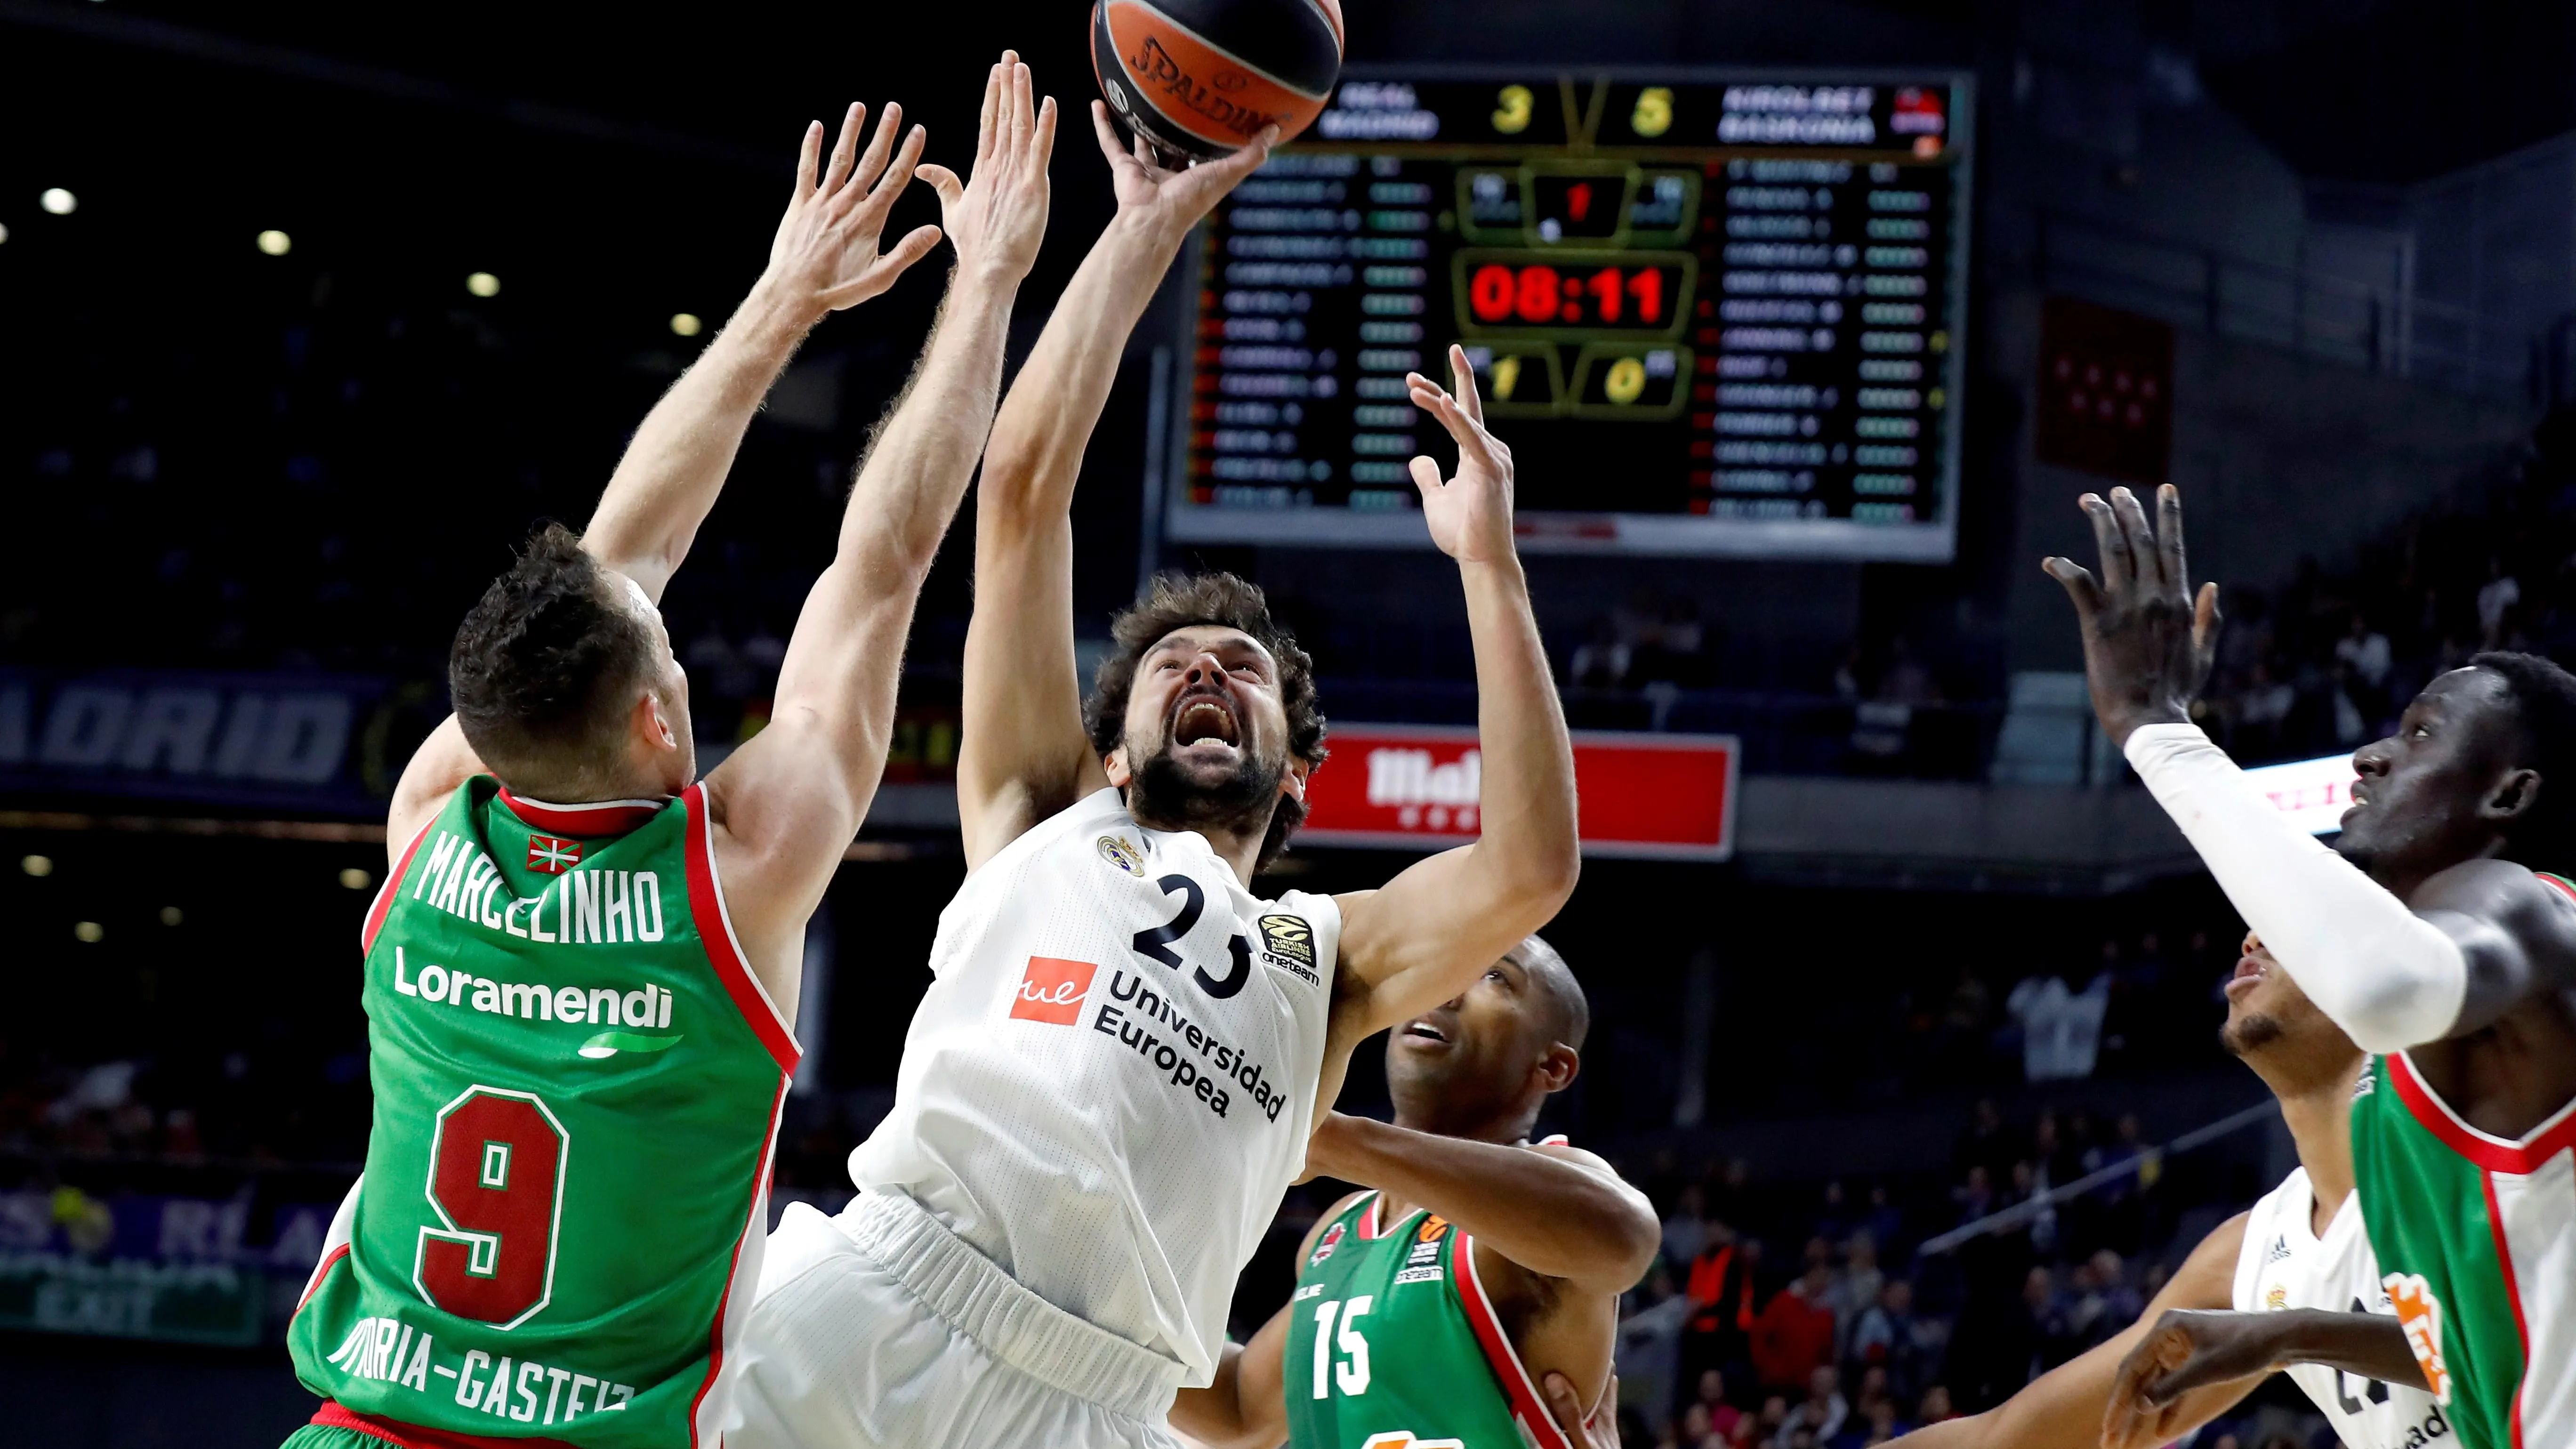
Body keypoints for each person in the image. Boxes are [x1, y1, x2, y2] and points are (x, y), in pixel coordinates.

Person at [720, 95, 1583, 1449]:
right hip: (878, 1302)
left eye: (1241, 671)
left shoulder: (1329, 961)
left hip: (1107, 1403)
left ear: (1297, 777)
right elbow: (1024, 491)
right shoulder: (1043, 815)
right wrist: (1141, 225)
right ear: (1112, 746)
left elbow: (1532, 865)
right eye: (1175, 661)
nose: (1204, 670)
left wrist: (1490, 563)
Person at [282, 63, 1050, 1449]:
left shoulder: (429, 815)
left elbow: (616, 567)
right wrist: (986, 282)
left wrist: (781, 304)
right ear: (653, 718)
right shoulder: (738, 878)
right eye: (671, 661)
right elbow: (881, 572)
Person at [2043, 484, 2574, 1449]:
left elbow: (2385, 987)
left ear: (2511, 792)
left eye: (2418, 734)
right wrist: (2292, 1332)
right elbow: (2472, 1347)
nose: (2370, 757)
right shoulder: (2394, 1108)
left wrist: (2158, 728)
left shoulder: (2530, 907)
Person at [1882, 934, 2446, 1449]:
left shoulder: (2462, 1154)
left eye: (2287, 923)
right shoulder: (2251, 1253)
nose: (2251, 937)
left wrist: (2286, 1333)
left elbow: (2518, 1355)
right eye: (2253, 925)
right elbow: (2006, 1438)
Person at [1166, 937, 1658, 1449]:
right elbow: (1241, 1411)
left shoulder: (1555, 1188)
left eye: (1494, 977)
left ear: (1552, 1067)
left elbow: (1627, 1238)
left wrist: (1332, 1139)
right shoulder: (1337, 1231)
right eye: (1444, 968)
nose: (1446, 990)